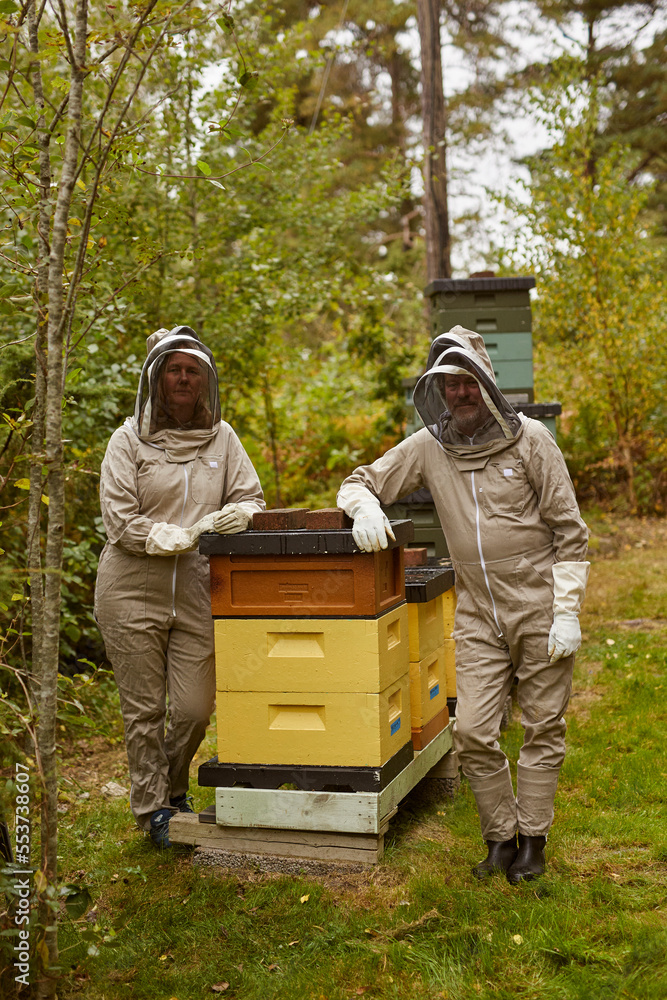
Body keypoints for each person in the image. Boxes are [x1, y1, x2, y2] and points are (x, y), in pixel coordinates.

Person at [337, 327, 589, 883]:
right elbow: (361, 480)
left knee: (543, 726)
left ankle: (534, 841)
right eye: (449, 383)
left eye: (468, 380)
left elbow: (571, 531)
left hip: (540, 601)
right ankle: (500, 837)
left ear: (487, 382)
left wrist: (567, 609)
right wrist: (363, 508)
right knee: (473, 730)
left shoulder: (533, 442)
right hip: (476, 609)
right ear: (439, 391)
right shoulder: (430, 446)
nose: (460, 392)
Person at [95, 326, 265, 848]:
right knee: (143, 709)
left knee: (194, 708)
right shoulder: (127, 439)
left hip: (196, 586)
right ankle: (154, 811)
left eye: (193, 371)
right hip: (131, 587)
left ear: (206, 381)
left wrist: (240, 514)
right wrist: (155, 533)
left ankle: (170, 784)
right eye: (174, 370)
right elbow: (119, 516)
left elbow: (252, 497)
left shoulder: (224, 438)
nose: (184, 379)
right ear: (157, 380)